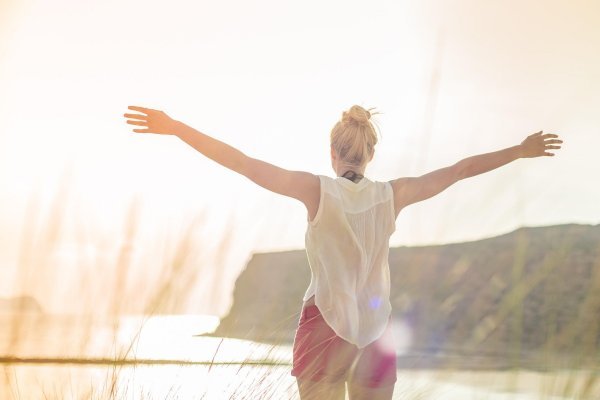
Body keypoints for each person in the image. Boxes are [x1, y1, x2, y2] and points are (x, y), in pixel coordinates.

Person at [123, 104, 562, 400]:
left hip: (323, 327)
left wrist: (176, 127)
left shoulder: (316, 190)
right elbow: (461, 170)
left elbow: (242, 162)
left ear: (333, 154)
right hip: (376, 330)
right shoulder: (394, 195)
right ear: (371, 154)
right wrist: (520, 151)